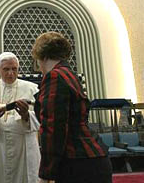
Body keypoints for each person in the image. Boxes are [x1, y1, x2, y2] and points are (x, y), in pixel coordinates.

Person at [31, 32, 112, 183]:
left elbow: (53, 127)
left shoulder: (54, 76)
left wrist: (45, 173)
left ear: (42, 57)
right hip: (94, 158)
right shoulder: (70, 74)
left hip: (77, 163)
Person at [0, 52, 41, 183]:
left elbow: (42, 117)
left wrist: (26, 115)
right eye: (6, 69)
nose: (11, 73)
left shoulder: (32, 89)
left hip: (24, 145)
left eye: (14, 69)